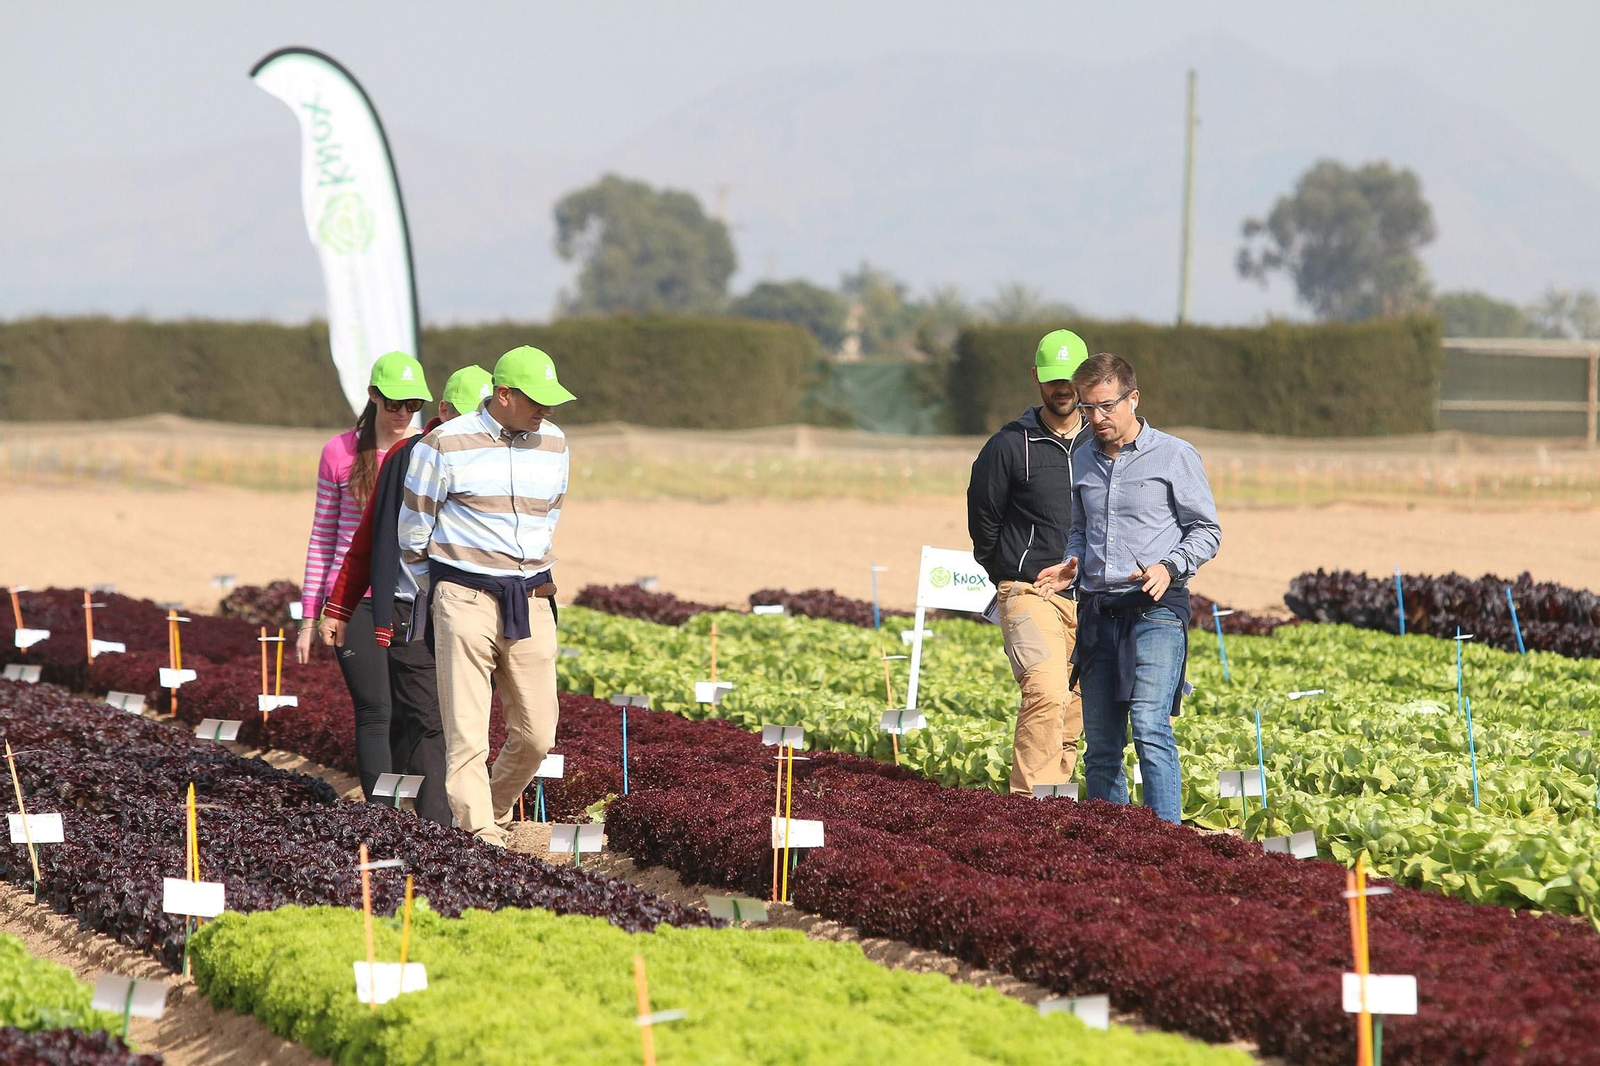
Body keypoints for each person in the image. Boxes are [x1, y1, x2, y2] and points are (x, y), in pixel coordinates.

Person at [397, 345, 574, 847]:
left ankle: (485, 812)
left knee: (539, 733)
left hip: (532, 598)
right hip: (464, 597)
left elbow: (550, 514)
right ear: (503, 395)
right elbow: (413, 530)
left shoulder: (556, 444)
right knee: (466, 730)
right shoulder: (445, 444)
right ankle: (479, 831)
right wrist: (437, 594)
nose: (547, 410)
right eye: (537, 399)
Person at [1035, 352, 1220, 825]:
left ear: (1132, 398)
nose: (1095, 418)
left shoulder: (1175, 455)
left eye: (1106, 406)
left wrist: (1170, 565)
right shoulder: (1082, 457)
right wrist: (1071, 564)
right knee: (1100, 743)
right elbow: (1080, 527)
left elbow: (1206, 531)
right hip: (1098, 610)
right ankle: (1114, 846)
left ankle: (1166, 842)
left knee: (1150, 725)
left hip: (1156, 606)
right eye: (1087, 408)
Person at [318, 364, 495, 825]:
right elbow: (353, 539)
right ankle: (415, 824)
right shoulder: (405, 455)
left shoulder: (500, 461)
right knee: (394, 712)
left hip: (470, 609)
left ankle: (427, 822)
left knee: (426, 718)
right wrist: (331, 607)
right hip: (399, 605)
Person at [296, 351, 431, 800]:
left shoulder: (423, 452)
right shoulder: (339, 452)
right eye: (394, 403)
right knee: (376, 708)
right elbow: (322, 536)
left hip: (407, 598)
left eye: (412, 405)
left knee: (410, 711)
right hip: (352, 599)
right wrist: (309, 616)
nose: (403, 414)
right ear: (372, 396)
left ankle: (409, 808)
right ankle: (381, 815)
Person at [966, 329, 1091, 795]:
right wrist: (1008, 574)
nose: (1064, 389)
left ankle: (1054, 799)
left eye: (1072, 379)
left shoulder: (1100, 446)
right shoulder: (1008, 444)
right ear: (1037, 377)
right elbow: (984, 521)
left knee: (1077, 705)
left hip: (1089, 596)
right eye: (1054, 379)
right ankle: (1029, 810)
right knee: (1045, 690)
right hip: (1028, 592)